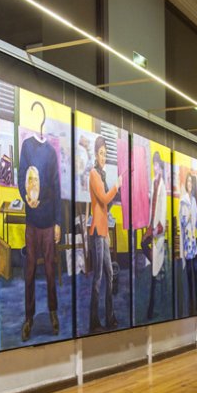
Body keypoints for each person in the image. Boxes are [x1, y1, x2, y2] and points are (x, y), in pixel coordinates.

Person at [18, 102, 63, 341]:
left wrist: (58, 222)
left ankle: (53, 313)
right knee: (29, 271)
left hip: (48, 222)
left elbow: (56, 188)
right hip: (32, 221)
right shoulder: (26, 146)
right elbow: (20, 177)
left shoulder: (51, 153)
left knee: (49, 270)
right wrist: (26, 197)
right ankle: (29, 317)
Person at [87, 136, 121, 331]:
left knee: (109, 274)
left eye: (105, 154)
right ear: (95, 154)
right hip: (97, 234)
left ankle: (110, 317)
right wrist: (117, 185)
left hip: (103, 232)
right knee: (98, 277)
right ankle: (94, 320)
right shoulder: (94, 174)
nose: (103, 157)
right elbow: (104, 198)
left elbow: (106, 207)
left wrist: (107, 231)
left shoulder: (101, 174)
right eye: (101, 153)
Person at [145, 152, 168, 320]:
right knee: (143, 244)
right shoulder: (153, 183)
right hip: (151, 225)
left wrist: (157, 229)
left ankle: (152, 309)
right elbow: (151, 205)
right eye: (153, 165)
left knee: (155, 273)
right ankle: (157, 266)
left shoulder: (163, 186)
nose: (155, 168)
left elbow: (163, 210)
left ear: (161, 168)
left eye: (157, 166)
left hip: (158, 230)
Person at [178, 173, 197, 316]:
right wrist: (187, 217)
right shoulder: (183, 201)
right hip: (187, 242)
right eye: (187, 182)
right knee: (189, 275)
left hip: (194, 242)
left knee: (196, 273)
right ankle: (191, 304)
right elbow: (183, 221)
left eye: (191, 182)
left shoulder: (193, 200)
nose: (189, 184)